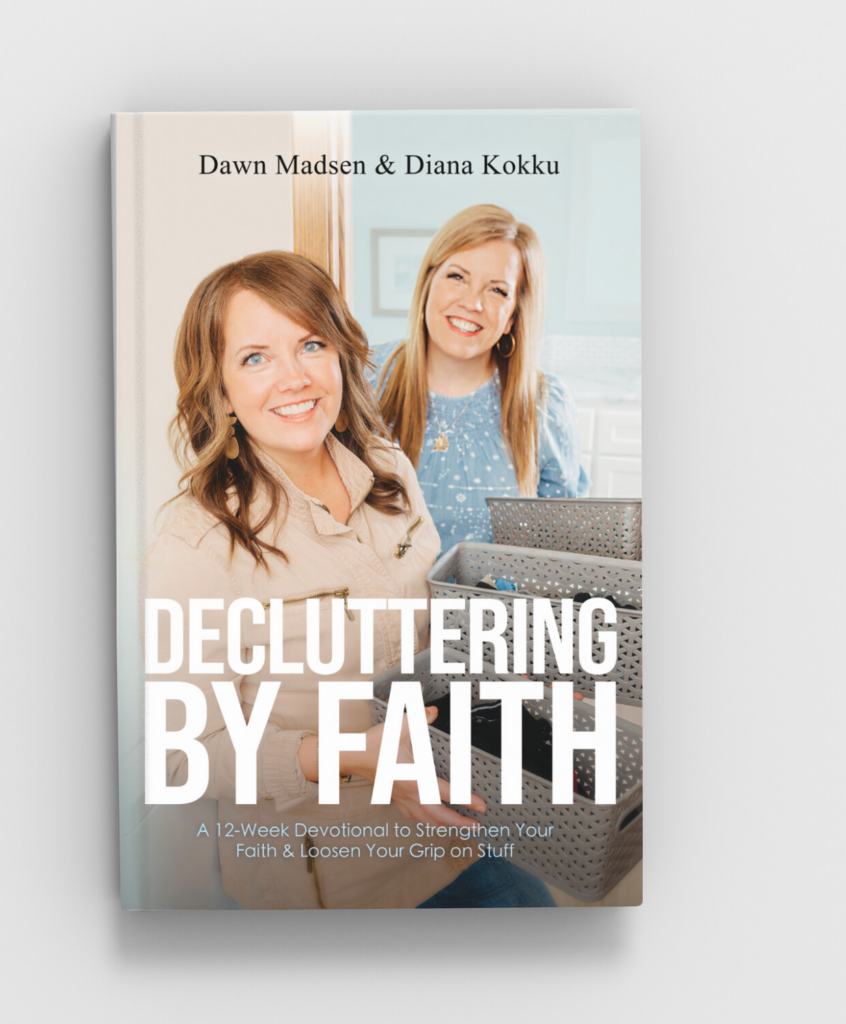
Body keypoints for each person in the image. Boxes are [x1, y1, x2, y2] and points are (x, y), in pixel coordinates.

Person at [145, 251, 556, 909]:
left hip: (453, 831)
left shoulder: (389, 468)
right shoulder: (196, 543)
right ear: (220, 390)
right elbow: (183, 755)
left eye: (311, 344)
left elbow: (432, 627)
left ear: (340, 354)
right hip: (331, 883)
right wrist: (363, 756)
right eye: (255, 358)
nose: (294, 378)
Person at [374, 205, 589, 553]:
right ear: (429, 283)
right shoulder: (365, 378)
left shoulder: (545, 405)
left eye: (497, 291)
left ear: (512, 317)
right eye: (457, 277)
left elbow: (561, 546)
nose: (472, 302)